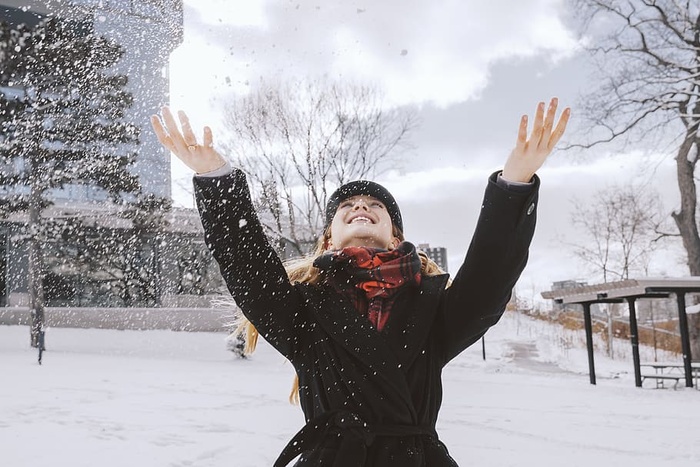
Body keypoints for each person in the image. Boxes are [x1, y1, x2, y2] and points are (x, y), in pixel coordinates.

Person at [150, 98, 570, 466]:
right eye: (347, 205)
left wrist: (513, 184)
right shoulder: (304, 310)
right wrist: (218, 180)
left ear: (396, 235)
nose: (360, 207)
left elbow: (488, 281)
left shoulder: (433, 308)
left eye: (374, 205)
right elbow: (248, 270)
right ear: (329, 236)